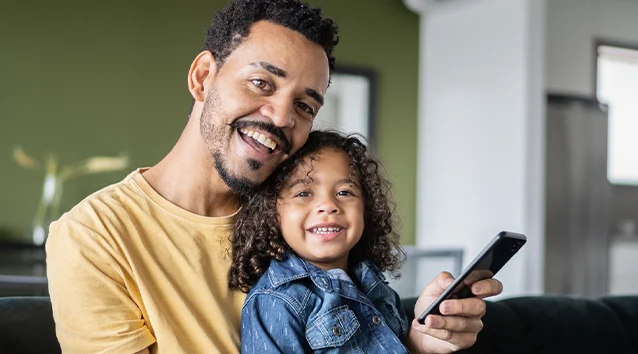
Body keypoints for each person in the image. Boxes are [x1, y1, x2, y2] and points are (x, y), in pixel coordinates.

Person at [46, 1, 502, 353]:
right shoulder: (94, 236)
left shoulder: (301, 217)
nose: (281, 116)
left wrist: (419, 339)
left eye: (305, 105)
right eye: (261, 83)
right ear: (204, 76)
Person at [230, 130, 494, 353]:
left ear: (366, 209)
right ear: (271, 212)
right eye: (304, 192)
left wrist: (417, 342)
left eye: (345, 192)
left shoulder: (374, 285)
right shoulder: (275, 302)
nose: (328, 205)